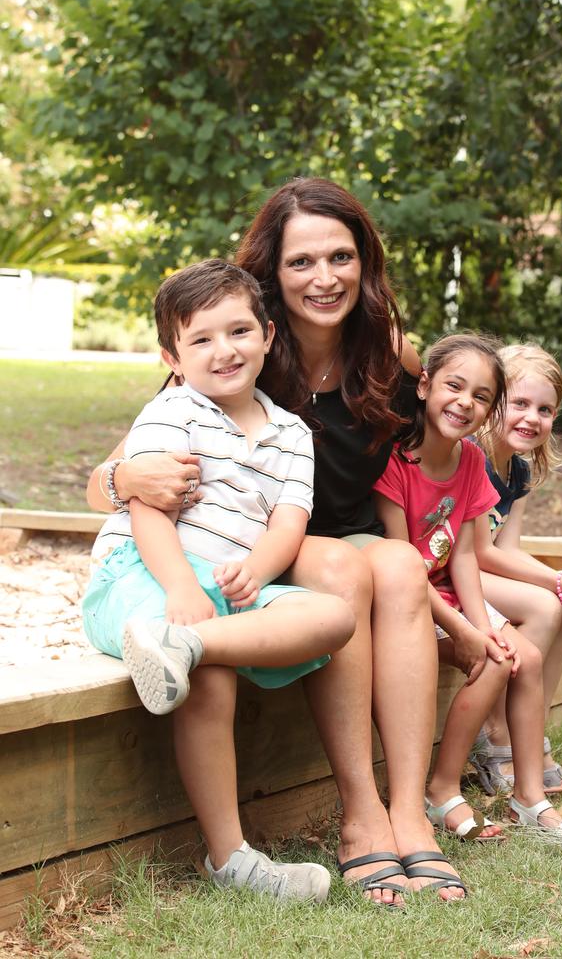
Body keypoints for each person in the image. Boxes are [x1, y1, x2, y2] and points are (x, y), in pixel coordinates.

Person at [86, 178, 467, 905]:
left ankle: (409, 812)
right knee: (346, 569)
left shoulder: (388, 350)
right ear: (272, 272)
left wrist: (472, 579)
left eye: (341, 257)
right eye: (301, 262)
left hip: (323, 539)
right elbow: (112, 481)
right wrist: (128, 478)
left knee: (395, 564)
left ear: (365, 262)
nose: (324, 278)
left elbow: (449, 450)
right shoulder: (227, 348)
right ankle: (362, 816)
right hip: (256, 548)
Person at [82, 258, 356, 903]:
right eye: (201, 339)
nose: (223, 351)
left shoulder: (291, 432)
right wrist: (180, 589)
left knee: (334, 616)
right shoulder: (172, 410)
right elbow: (148, 507)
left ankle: (188, 645)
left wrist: (258, 569)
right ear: (172, 357)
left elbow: (289, 521)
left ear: (267, 334)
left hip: (229, 583)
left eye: (237, 332)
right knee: (208, 671)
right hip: (145, 573)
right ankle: (231, 857)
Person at [374, 333, 562, 834]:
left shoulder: (468, 461)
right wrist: (467, 630)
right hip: (407, 599)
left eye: (481, 396)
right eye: (454, 386)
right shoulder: (395, 463)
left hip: (448, 590)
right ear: (423, 386)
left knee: (519, 655)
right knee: (496, 656)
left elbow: (465, 554)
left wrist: (482, 623)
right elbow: (405, 565)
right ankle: (442, 789)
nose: (466, 403)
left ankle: (528, 796)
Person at [471, 342, 562, 791]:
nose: (533, 417)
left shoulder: (519, 472)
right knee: (546, 605)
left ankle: (531, 728)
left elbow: (508, 548)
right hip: (454, 570)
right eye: (521, 403)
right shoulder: (471, 458)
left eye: (545, 409)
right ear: (493, 402)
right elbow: (480, 553)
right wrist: (555, 578)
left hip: (483, 568)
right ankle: (495, 731)